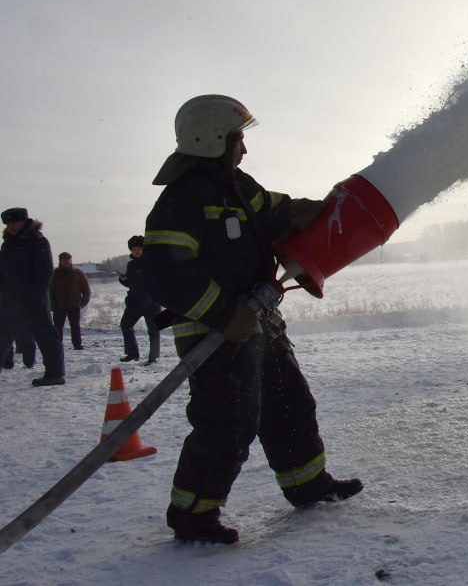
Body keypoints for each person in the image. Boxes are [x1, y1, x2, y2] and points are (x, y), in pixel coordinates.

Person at [143, 94, 360, 544]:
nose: (244, 148)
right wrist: (225, 314)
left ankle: (307, 485)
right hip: (213, 329)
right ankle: (193, 515)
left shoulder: (237, 185)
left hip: (259, 318)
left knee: (289, 401)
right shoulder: (183, 199)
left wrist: (310, 210)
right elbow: (165, 273)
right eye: (238, 138)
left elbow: (275, 211)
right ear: (212, 139)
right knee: (227, 423)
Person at [0, 207, 66, 386]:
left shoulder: (37, 241)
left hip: (33, 299)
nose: (12, 226)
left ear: (24, 221)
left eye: (15, 222)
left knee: (45, 336)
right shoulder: (7, 244)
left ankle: (55, 374)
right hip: (10, 301)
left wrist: (36, 296)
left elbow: (45, 271)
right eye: (8, 223)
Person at [118, 235, 162, 364]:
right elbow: (130, 283)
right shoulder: (131, 265)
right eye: (133, 249)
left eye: (139, 248)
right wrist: (123, 280)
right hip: (137, 300)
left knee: (153, 329)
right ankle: (133, 354)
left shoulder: (152, 262)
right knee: (126, 325)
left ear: (144, 248)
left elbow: (159, 280)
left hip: (150, 301)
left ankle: (153, 357)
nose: (136, 251)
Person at [49, 251, 91, 351]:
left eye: (68, 260)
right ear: (60, 261)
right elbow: (49, 290)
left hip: (74, 305)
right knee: (58, 327)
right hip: (59, 306)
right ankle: (57, 345)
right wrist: (51, 304)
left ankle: (77, 345)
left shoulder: (78, 273)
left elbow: (86, 289)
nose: (66, 262)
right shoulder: (54, 274)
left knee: (75, 327)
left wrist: (84, 300)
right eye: (64, 260)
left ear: (71, 260)